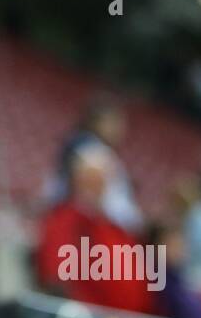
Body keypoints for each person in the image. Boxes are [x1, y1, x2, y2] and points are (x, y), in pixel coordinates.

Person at [35, 145, 158, 316]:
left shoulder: (116, 229)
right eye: (90, 179)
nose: (96, 186)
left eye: (102, 180)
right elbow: (56, 278)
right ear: (77, 180)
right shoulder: (65, 220)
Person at [44, 95, 144, 232]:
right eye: (115, 122)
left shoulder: (91, 147)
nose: (120, 129)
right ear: (98, 121)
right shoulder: (89, 147)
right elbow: (90, 199)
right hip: (83, 229)